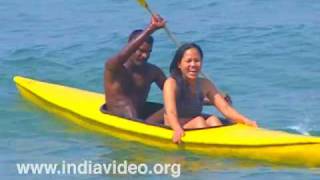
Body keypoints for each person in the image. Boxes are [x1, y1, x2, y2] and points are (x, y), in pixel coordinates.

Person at [163, 43, 258, 144]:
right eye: (188, 61)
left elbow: (225, 108)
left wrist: (245, 120)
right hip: (174, 125)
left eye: (197, 61)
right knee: (199, 121)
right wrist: (177, 129)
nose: (193, 65)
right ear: (179, 64)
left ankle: (221, 150)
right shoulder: (172, 83)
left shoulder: (205, 84)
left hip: (194, 123)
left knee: (213, 120)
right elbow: (171, 112)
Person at [104, 15, 166, 121]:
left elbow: (174, 92)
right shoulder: (114, 68)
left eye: (148, 52)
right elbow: (121, 56)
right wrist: (151, 28)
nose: (145, 56)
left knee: (176, 107)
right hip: (118, 119)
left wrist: (201, 97)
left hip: (142, 120)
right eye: (141, 51)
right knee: (128, 108)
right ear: (130, 47)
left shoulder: (153, 71)